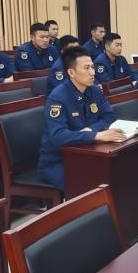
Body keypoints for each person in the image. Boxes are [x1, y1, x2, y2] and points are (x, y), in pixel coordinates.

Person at [38, 46, 126, 190]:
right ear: (71, 72)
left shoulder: (94, 90)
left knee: (118, 173)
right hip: (59, 161)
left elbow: (110, 115)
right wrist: (96, 135)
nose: (92, 72)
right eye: (86, 68)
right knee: (92, 185)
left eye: (92, 67)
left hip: (88, 153)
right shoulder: (57, 98)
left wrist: (91, 130)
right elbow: (58, 136)